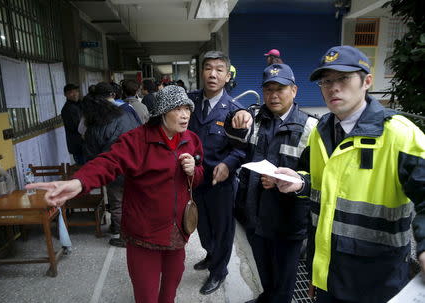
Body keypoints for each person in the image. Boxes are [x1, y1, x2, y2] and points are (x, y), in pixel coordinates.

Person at [266, 46, 425, 303]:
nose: (333, 87)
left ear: (367, 82)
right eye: (326, 81)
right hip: (328, 275)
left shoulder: (399, 135)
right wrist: (299, 183)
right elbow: (317, 184)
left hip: (378, 283)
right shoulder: (321, 131)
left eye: (343, 78)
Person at [26, 85, 204, 303]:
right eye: (178, 108)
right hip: (144, 234)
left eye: (187, 108)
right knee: (146, 295)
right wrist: (79, 182)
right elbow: (108, 162)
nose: (185, 114)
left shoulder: (191, 140)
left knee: (170, 291)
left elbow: (198, 176)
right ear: (162, 112)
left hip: (177, 231)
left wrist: (193, 171)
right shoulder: (138, 140)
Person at [224, 64, 318, 303]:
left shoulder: (311, 127)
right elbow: (235, 143)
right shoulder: (255, 118)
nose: (273, 95)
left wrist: (286, 181)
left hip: (288, 220)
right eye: (268, 89)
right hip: (254, 212)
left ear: (294, 90)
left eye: (280, 89)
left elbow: (315, 178)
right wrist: (233, 118)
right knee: (264, 270)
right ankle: (266, 296)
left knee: (284, 280)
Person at [188, 50, 245, 295]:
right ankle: (211, 256)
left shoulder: (234, 110)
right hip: (195, 180)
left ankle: (219, 271)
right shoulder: (189, 103)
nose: (213, 74)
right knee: (202, 227)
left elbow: (242, 149)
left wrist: (228, 164)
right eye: (208, 68)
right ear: (201, 72)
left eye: (219, 69)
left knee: (222, 230)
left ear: (226, 75)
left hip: (220, 183)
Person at [81, 82, 141, 247]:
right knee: (133, 201)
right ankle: (136, 232)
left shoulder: (95, 119)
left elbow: (91, 150)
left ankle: (124, 237)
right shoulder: (127, 111)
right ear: (113, 95)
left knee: (117, 203)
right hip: (135, 163)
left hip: (113, 167)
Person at [61, 83, 85, 165]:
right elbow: (75, 127)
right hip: (78, 145)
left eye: (76, 91)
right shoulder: (67, 109)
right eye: (71, 92)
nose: (74, 94)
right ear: (65, 95)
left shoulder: (80, 104)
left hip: (85, 144)